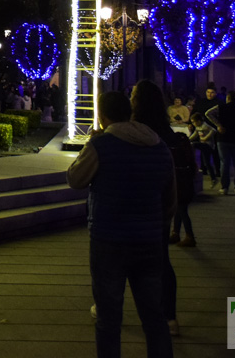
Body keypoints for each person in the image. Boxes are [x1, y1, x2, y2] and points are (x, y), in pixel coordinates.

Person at [67, 91, 175, 358]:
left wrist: (90, 144)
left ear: (102, 116)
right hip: (149, 241)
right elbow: (170, 198)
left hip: (109, 240)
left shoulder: (101, 145)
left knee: (108, 318)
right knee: (154, 317)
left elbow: (75, 179)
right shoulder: (158, 145)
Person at [130, 80, 192, 337]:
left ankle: (109, 307)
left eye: (133, 95)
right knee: (161, 260)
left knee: (127, 259)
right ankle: (169, 316)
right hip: (160, 204)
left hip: (135, 204)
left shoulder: (133, 133)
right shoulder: (165, 134)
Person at [188, 113, 219, 185]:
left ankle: (192, 160)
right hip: (204, 146)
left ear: (198, 121)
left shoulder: (204, 126)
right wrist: (188, 140)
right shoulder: (198, 127)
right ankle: (213, 178)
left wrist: (206, 138)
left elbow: (213, 130)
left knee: (194, 144)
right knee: (207, 163)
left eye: (193, 122)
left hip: (208, 145)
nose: (193, 124)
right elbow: (194, 135)